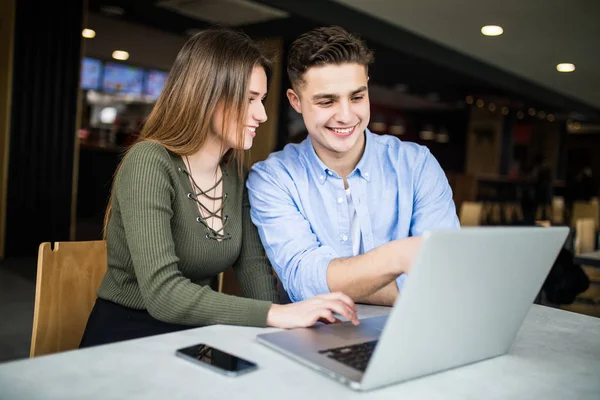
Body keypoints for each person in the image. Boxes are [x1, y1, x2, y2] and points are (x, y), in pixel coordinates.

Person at [80, 28, 359, 348]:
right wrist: (276, 314)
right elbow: (163, 295)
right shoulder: (149, 162)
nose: (262, 114)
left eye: (263, 99)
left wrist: (286, 328)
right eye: (249, 99)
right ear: (206, 95)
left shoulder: (235, 175)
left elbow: (255, 272)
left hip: (196, 335)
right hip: (127, 338)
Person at [247, 26, 459, 307]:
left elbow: (445, 274)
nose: (346, 116)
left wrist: (334, 282)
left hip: (413, 333)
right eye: (327, 101)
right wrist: (400, 258)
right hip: (312, 339)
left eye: (357, 97)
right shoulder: (273, 178)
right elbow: (304, 282)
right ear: (295, 101)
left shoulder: (417, 164)